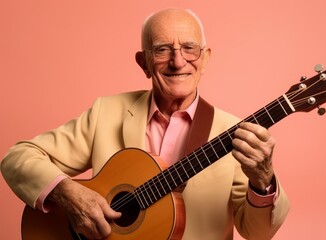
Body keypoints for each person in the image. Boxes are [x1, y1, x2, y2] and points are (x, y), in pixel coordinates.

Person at [1, 8, 290, 240]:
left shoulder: (237, 135)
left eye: (190, 48)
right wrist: (67, 193)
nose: (178, 61)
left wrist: (263, 182)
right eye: (163, 49)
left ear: (205, 59)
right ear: (144, 62)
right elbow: (17, 158)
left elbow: (258, 233)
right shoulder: (107, 112)